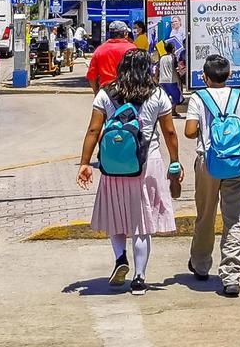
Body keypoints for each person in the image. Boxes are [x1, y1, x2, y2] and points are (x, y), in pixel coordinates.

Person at [76, 49, 179, 294]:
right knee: (141, 223)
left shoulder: (105, 94)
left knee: (116, 217)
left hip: (113, 165)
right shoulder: (157, 95)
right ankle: (139, 278)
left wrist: (84, 163)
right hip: (147, 163)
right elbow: (170, 133)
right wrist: (175, 161)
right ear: (148, 69)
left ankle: (121, 258)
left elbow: (93, 131)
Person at [184, 54, 240, 297]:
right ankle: (231, 276)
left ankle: (200, 264)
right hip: (236, 165)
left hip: (208, 164)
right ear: (230, 75)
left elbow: (189, 132)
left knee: (205, 215)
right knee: (234, 219)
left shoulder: (198, 97)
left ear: (204, 77)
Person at [87, 20, 136, 93]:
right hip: (127, 91)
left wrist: (96, 92)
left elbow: (91, 76)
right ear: (125, 34)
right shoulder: (132, 49)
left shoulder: (100, 50)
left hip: (106, 91)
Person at [155, 39, 181, 109]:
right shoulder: (173, 57)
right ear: (173, 49)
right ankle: (173, 110)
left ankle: (166, 111)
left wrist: (155, 77)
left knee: (165, 97)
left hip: (162, 80)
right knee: (176, 96)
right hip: (171, 80)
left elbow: (157, 68)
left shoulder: (162, 57)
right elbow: (176, 68)